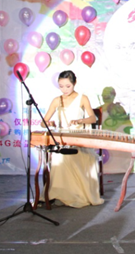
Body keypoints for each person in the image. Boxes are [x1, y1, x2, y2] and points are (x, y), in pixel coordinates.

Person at [42, 70, 103, 208]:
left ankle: (75, 194)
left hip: (79, 139)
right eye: (61, 86)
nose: (64, 89)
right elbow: (43, 122)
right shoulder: (57, 100)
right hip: (63, 140)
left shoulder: (82, 98)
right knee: (59, 157)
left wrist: (80, 121)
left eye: (68, 86)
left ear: (74, 83)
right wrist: (49, 123)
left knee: (75, 156)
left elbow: (93, 118)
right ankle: (60, 193)